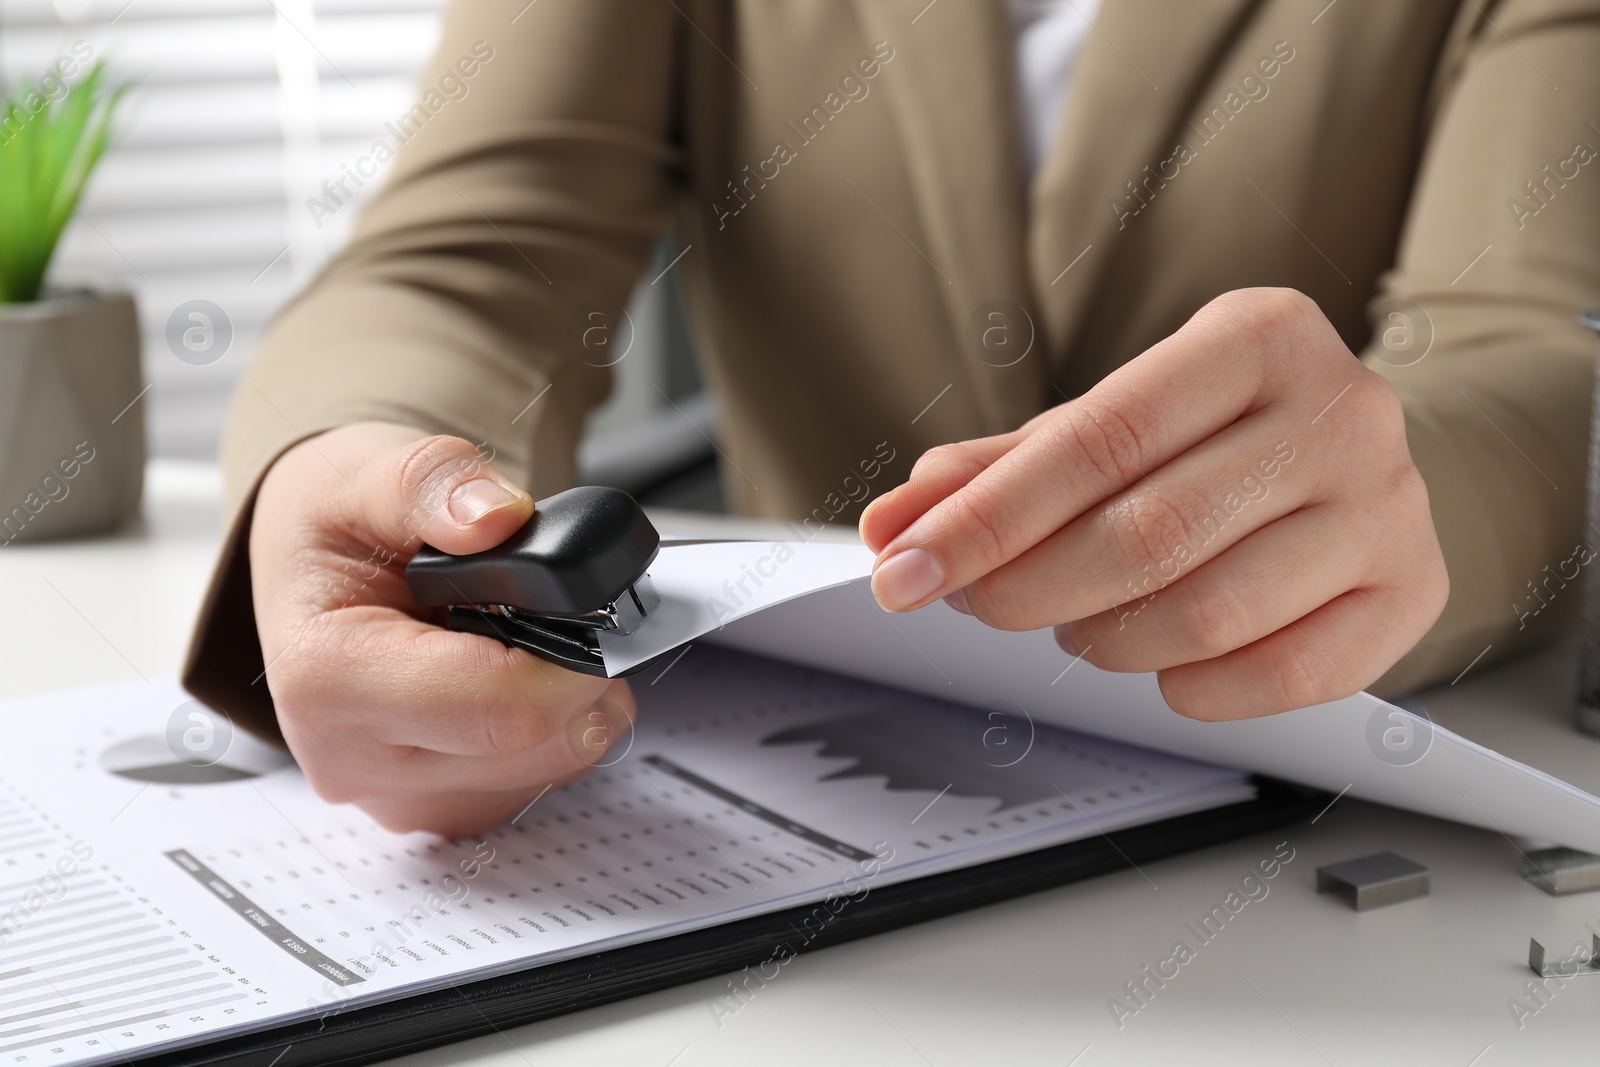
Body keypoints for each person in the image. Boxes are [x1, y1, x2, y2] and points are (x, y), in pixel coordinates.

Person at [184, 0, 1600, 835]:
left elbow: (1529, 350)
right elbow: (468, 254)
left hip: (1317, 838)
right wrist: (357, 453)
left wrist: (1412, 492)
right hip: (824, 815)